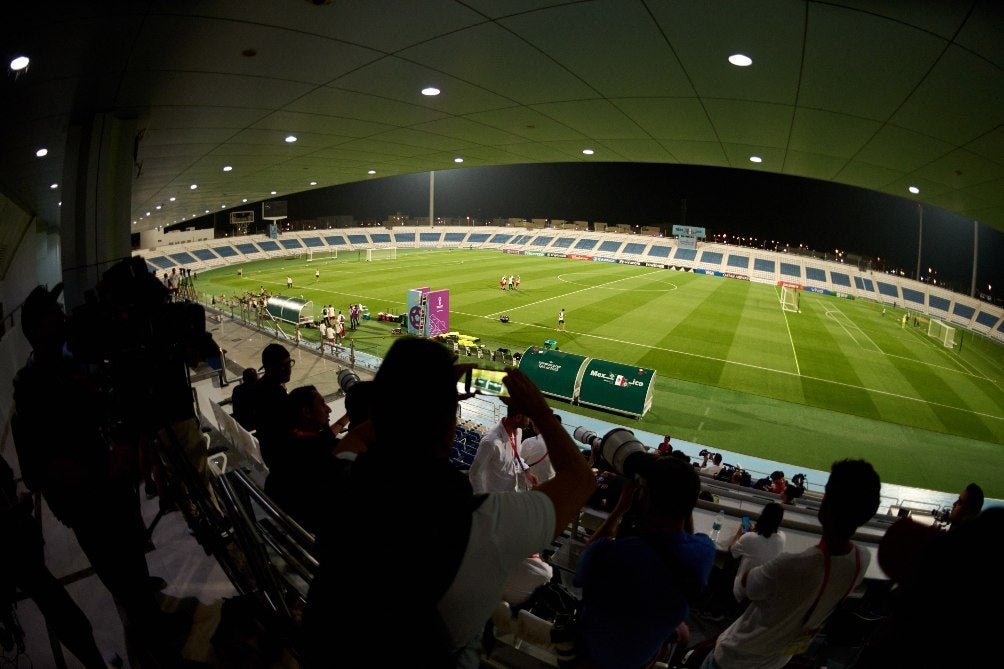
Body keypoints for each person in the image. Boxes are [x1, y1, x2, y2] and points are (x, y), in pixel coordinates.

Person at [300, 337, 596, 668]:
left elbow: (362, 434)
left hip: (328, 646)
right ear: (448, 431)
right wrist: (539, 410)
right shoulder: (484, 522)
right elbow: (581, 480)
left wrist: (419, 394)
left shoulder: (340, 474)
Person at [11, 284, 183, 668]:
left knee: (134, 572)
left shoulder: (66, 367)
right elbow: (39, 471)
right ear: (38, 329)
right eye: (54, 313)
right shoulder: (34, 388)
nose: (63, 317)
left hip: (112, 494)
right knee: (125, 583)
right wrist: (103, 468)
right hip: (92, 506)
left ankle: (150, 618)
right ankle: (161, 653)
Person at [701, 459, 881, 669]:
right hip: (777, 661)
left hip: (734, 657)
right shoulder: (861, 560)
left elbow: (743, 587)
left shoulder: (792, 565)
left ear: (826, 506)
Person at [573, 454, 717, 669]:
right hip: (642, 659)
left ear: (644, 499)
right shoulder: (704, 552)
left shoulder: (611, 553)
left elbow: (581, 570)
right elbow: (685, 538)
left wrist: (619, 510)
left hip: (590, 656)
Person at [1, 456, 112, 669]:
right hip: (14, 554)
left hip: (20, 547)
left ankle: (92, 658)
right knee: (60, 610)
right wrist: (19, 510)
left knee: (57, 606)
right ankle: (93, 660)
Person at [264, 385, 346, 534]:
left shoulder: (287, 441)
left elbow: (324, 437)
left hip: (296, 526)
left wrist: (347, 417)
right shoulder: (328, 452)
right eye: (322, 404)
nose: (329, 409)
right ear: (307, 412)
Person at [244, 343, 294, 469]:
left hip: (272, 456)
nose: (288, 369)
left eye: (289, 363)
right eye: (283, 366)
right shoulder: (274, 394)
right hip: (284, 459)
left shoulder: (259, 387)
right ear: (270, 368)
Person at [469, 404, 538, 493]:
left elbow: (514, 457)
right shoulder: (490, 442)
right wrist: (485, 500)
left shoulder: (518, 432)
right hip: (495, 497)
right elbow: (474, 473)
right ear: (518, 417)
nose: (530, 421)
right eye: (528, 417)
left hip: (511, 491)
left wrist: (526, 470)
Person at [729, 502, 785, 605]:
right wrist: (754, 532)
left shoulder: (749, 537)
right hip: (763, 593)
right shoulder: (782, 538)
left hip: (743, 590)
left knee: (731, 561)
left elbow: (732, 550)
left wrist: (739, 533)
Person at [518, 414, 560, 484]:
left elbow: (518, 464)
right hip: (549, 485)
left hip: (529, 485)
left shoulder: (529, 442)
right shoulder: (560, 444)